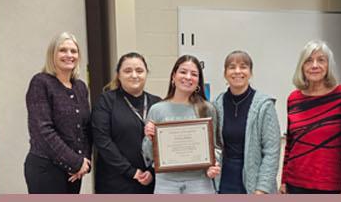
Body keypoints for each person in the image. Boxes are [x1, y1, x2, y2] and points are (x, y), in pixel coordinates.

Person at [140, 55, 220, 194]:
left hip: (200, 183)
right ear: (173, 76)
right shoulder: (157, 110)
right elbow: (148, 155)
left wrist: (214, 165)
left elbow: (216, 147)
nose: (188, 77)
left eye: (194, 74)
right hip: (165, 183)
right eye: (183, 72)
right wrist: (149, 137)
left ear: (198, 82)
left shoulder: (207, 109)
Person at [24, 32, 91, 193]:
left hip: (73, 172)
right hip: (46, 168)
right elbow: (43, 131)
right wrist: (75, 162)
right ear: (52, 54)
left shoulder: (80, 87)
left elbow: (86, 128)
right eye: (63, 50)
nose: (69, 55)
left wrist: (85, 162)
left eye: (73, 51)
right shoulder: (41, 82)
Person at [281, 41, 341, 194]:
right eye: (309, 61)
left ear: (328, 65)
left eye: (321, 60)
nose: (315, 65)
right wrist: (284, 180)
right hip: (296, 183)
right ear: (302, 67)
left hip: (331, 185)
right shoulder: (294, 98)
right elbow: (290, 143)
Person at [209, 51, 280, 194]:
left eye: (243, 67)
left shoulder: (264, 105)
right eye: (232, 67)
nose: (237, 71)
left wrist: (262, 188)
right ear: (225, 73)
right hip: (225, 178)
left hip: (255, 180)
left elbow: (272, 151)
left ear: (250, 72)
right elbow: (213, 145)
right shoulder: (216, 104)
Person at [91, 52, 160, 194]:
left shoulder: (157, 103)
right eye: (128, 71)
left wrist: (151, 171)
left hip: (151, 183)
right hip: (115, 182)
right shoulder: (106, 101)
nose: (134, 75)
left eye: (139, 71)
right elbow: (102, 141)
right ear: (118, 74)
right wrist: (131, 171)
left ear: (146, 73)